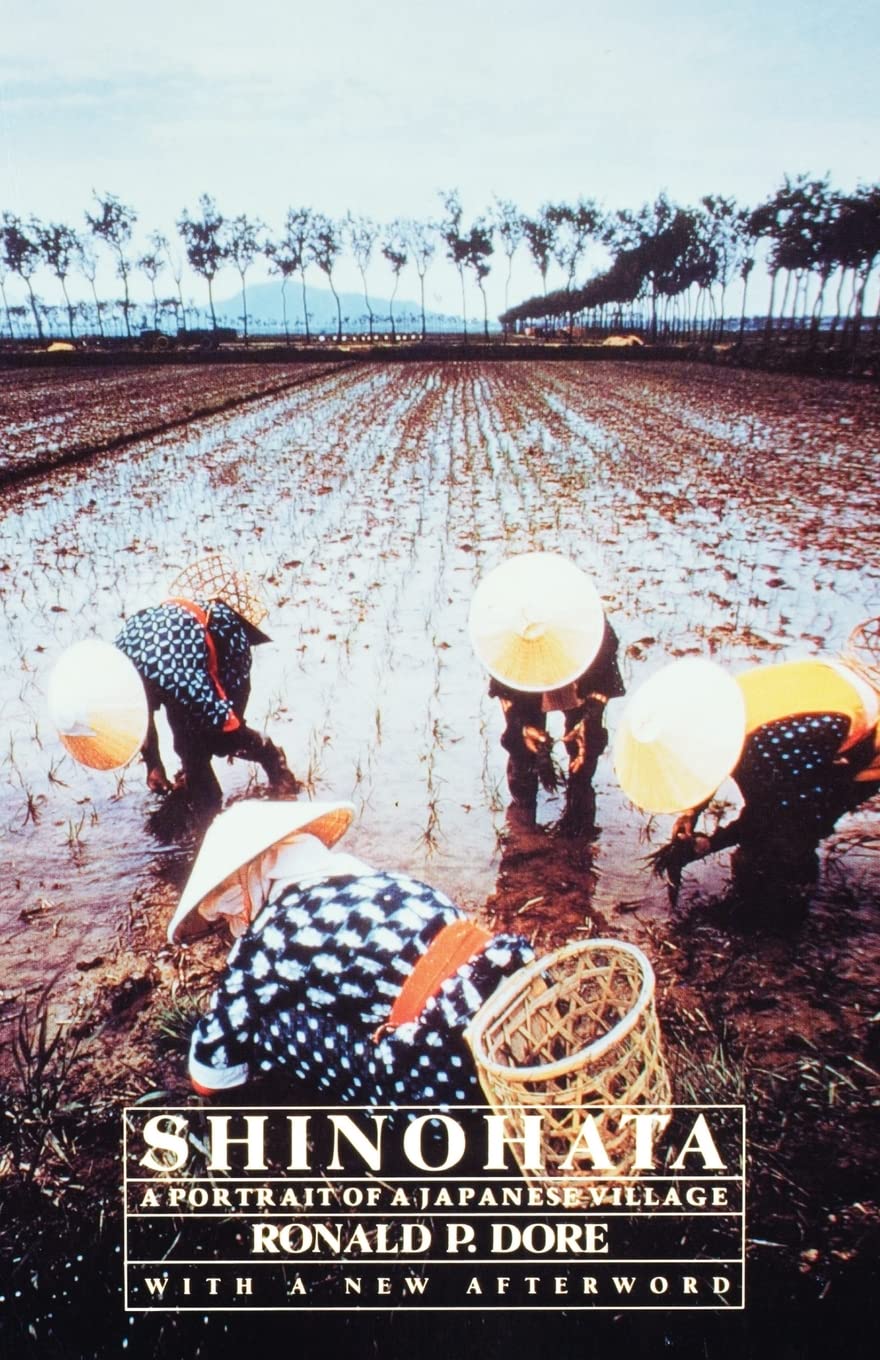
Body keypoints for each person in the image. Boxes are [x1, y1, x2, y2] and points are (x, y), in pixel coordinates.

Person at [167, 800, 535, 1102]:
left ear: (250, 881)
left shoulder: (272, 935)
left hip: (448, 1084)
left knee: (268, 1026)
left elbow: (210, 1073)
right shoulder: (377, 882)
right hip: (519, 1025)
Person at [614, 633, 880, 904]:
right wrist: (693, 810)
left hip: (865, 743)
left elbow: (774, 812)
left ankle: (793, 901)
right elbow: (703, 758)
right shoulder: (719, 710)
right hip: (829, 698)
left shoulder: (770, 746)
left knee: (792, 836)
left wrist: (710, 844)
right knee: (770, 827)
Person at [115, 553, 298, 810]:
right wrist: (153, 765)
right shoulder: (122, 668)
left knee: (223, 737)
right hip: (176, 661)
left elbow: (236, 694)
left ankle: (273, 759)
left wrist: (231, 727)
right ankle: (203, 805)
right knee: (188, 746)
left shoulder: (231, 634)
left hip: (188, 663)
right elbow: (140, 716)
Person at [468, 552, 624, 834]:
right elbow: (506, 696)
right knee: (522, 748)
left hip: (577, 673)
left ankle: (578, 806)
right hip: (527, 679)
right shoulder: (506, 639)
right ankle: (523, 816)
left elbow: (604, 684)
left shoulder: (591, 631)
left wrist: (588, 718)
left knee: (584, 745)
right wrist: (521, 724)